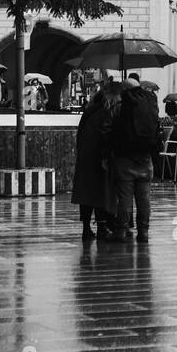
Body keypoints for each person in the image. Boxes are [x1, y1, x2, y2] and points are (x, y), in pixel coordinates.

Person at [109, 76, 162, 243]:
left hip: (125, 159)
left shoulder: (121, 106)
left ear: (124, 90)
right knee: (144, 198)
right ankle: (143, 232)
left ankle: (121, 231)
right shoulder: (150, 104)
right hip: (145, 159)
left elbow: (113, 130)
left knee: (125, 198)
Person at [71, 82, 122, 242]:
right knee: (101, 193)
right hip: (99, 158)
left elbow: (79, 135)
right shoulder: (106, 112)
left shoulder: (89, 111)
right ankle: (101, 228)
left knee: (86, 194)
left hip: (85, 157)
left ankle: (86, 228)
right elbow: (105, 135)